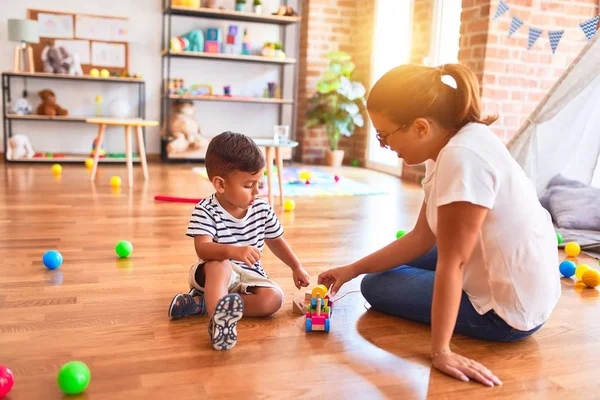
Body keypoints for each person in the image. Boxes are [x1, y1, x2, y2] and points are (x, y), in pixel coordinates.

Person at [318, 63, 560, 387]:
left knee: (375, 286)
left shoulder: (462, 158)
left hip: (507, 313)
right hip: (507, 276)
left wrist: (441, 351)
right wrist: (351, 268)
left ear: (421, 127)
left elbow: (453, 261)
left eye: (384, 135)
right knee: (377, 271)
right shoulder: (446, 144)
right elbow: (421, 238)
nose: (383, 146)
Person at [169, 132, 310, 351]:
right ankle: (218, 321)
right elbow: (203, 249)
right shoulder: (205, 210)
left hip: (249, 276)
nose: (256, 191)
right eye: (248, 185)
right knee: (220, 264)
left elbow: (276, 240)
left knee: (273, 299)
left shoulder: (261, 209)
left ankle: (202, 304)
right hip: (214, 272)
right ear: (220, 184)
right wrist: (233, 251)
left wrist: (296, 266)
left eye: (259, 183)